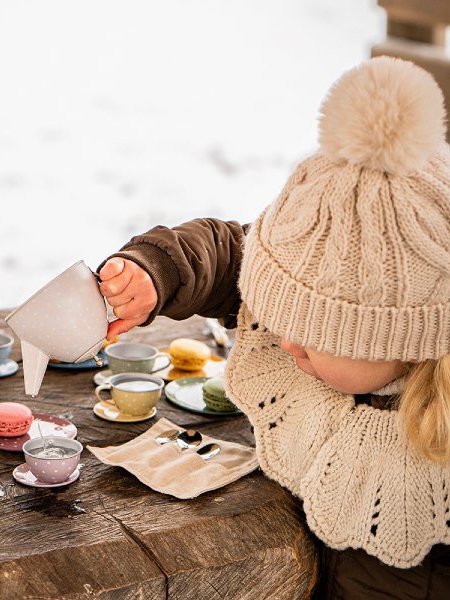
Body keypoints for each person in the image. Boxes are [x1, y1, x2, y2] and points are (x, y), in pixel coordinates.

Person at [96, 56, 450, 598]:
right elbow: (234, 255)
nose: (284, 342)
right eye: (277, 313)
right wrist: (160, 271)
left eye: (314, 335)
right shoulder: (306, 290)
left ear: (406, 340)